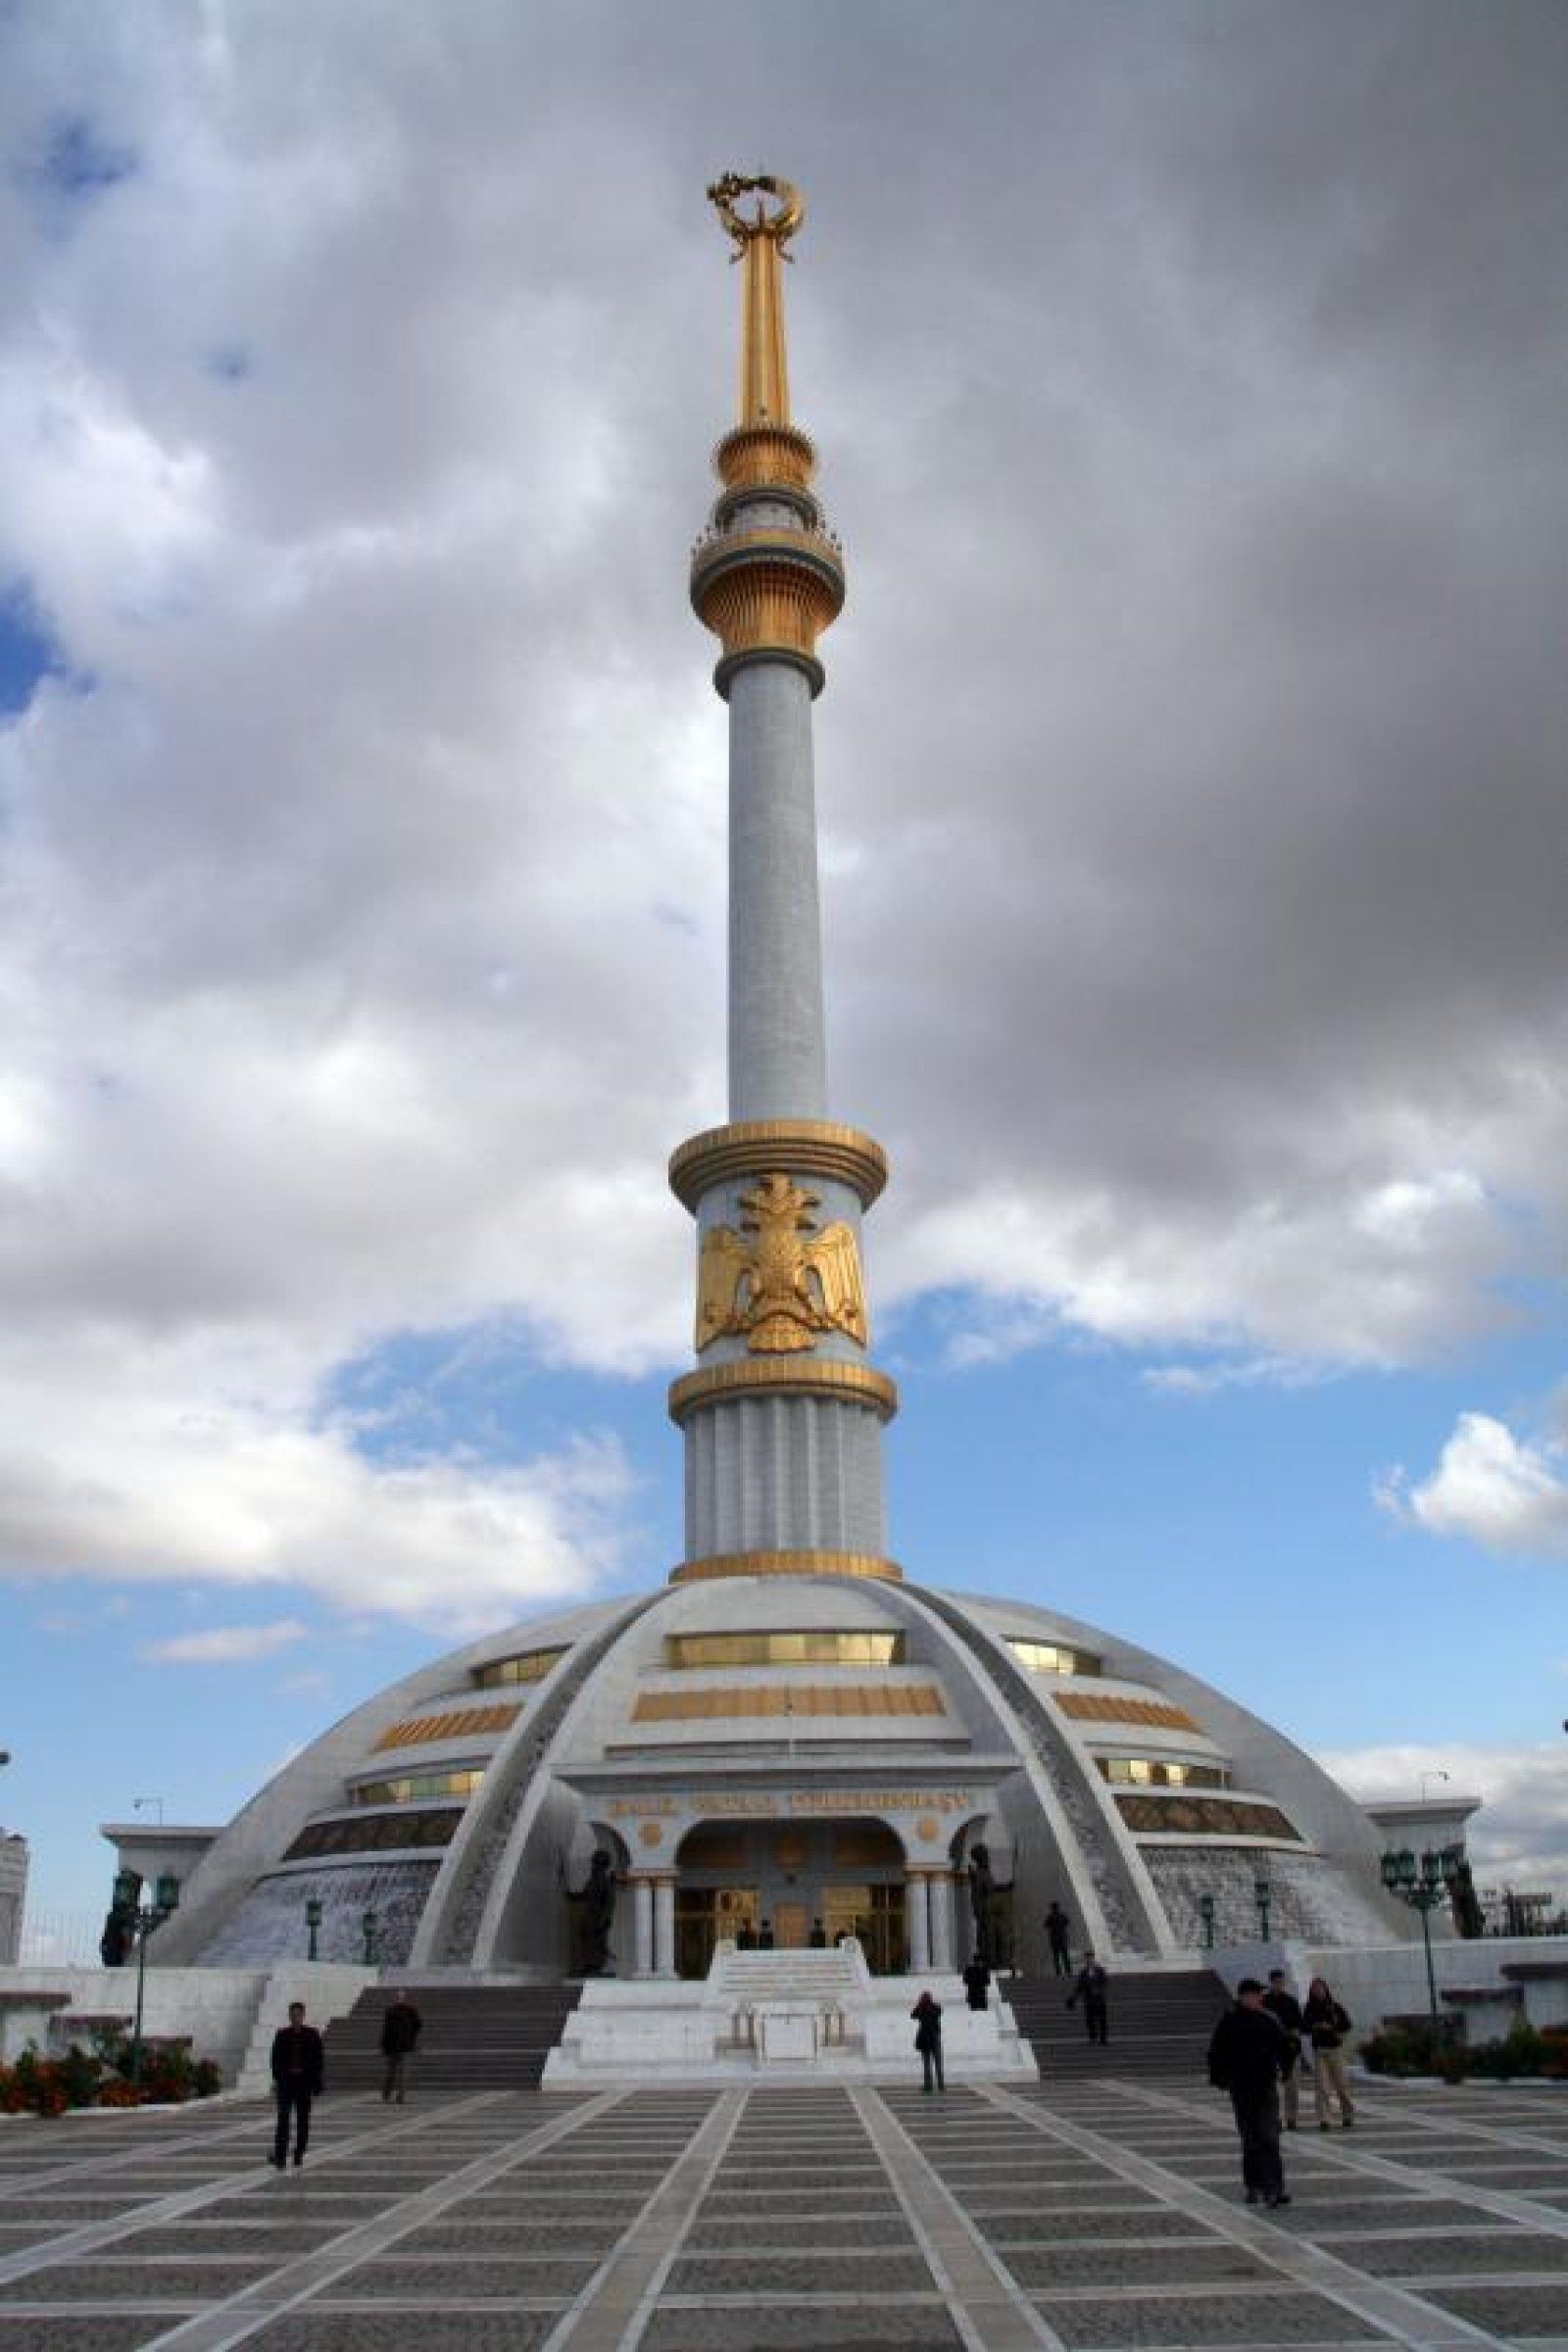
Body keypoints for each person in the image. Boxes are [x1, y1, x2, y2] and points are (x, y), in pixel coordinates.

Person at [1207, 1978, 1291, 2208]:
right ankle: (1254, 2185)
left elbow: (1285, 2046)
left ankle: (1274, 2188)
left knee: (1269, 2137)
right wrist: (1223, 2079)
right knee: (1251, 2139)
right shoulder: (1230, 2022)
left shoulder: (1268, 2020)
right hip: (1242, 2089)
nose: (1259, 1998)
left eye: (1260, 1995)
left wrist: (1285, 2069)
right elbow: (1216, 2053)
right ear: (1243, 1997)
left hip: (1265, 2087)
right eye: (1255, 1995)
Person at [270, 2000, 324, 2169]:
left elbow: (318, 2059)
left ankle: (298, 2153)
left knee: (302, 2121)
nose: (295, 2018)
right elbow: (275, 2059)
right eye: (293, 2015)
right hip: (287, 2083)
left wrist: (314, 2081)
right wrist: (279, 2078)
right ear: (289, 2016)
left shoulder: (312, 2034)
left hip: (304, 2083)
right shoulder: (282, 2034)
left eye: (298, 2015)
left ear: (303, 2015)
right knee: (283, 2119)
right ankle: (280, 2157)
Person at [1302, 1976, 1355, 2128]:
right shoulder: (1309, 2008)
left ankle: (1347, 2114)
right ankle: (1324, 2118)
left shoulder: (1334, 2006)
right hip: (1319, 2050)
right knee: (1322, 2086)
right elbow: (1304, 2027)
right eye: (1315, 1989)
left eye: (1320, 1988)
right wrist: (1317, 2026)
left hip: (1334, 2049)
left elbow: (1347, 2024)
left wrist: (1332, 2028)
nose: (1318, 1991)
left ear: (1325, 1989)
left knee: (1341, 2084)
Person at [1260, 1968, 1304, 2131]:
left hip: (1290, 2048)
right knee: (1273, 2087)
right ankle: (1275, 2118)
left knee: (1291, 2085)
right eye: (1276, 1982)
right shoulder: (1264, 2001)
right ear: (1271, 1983)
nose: (1279, 1985)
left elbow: (1299, 2023)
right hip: (1271, 2048)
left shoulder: (1291, 2001)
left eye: (1281, 1982)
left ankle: (1291, 2118)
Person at [378, 1988, 422, 2104]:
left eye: (401, 1997)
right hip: (394, 2046)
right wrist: (384, 2045)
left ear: (405, 1999)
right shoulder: (391, 2011)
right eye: (398, 1997)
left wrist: (410, 2036)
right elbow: (386, 2030)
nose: (399, 1999)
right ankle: (387, 2093)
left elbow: (418, 2025)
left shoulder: (410, 2011)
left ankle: (400, 2096)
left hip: (404, 2046)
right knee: (392, 2072)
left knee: (402, 2073)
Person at [1067, 1951, 1109, 2044]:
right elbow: (1080, 1986)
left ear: (1093, 1959)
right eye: (1087, 1958)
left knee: (1102, 2019)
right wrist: (1074, 1997)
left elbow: (1105, 1982)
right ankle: (1093, 2037)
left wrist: (1098, 1989)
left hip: (1099, 1999)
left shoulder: (1100, 1970)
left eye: (1091, 1958)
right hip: (1088, 1999)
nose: (1089, 1960)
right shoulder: (1083, 1972)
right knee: (1090, 2020)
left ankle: (1103, 2039)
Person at [911, 1988, 945, 2092]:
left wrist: (919, 2005)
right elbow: (940, 2012)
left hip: (925, 2038)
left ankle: (928, 2086)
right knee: (938, 2063)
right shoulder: (935, 2008)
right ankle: (941, 2085)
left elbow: (913, 2015)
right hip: (935, 2037)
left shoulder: (920, 2008)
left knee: (927, 2064)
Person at [1045, 1900, 1073, 1978]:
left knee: (1056, 1956)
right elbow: (1068, 1922)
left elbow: (1045, 1925)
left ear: (1052, 1908)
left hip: (1054, 1939)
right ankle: (1069, 1971)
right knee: (1065, 1955)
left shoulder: (1050, 1917)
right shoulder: (1063, 1915)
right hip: (1063, 1938)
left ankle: (1058, 1972)